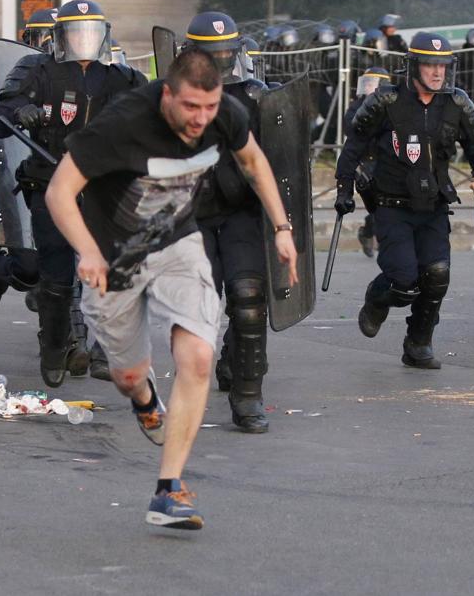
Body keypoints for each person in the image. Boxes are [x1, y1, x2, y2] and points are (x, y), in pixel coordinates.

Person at [45, 48, 298, 530]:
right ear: (167, 95)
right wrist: (89, 250)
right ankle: (144, 402)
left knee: (199, 356)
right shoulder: (122, 123)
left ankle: (169, 490)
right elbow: (59, 191)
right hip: (113, 255)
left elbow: (254, 161)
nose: (201, 119)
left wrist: (282, 228)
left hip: (178, 243)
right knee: (127, 375)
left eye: (209, 107)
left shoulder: (224, 113)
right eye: (190, 108)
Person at [0, 0, 143, 386]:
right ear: (60, 36)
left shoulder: (123, 77)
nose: (84, 41)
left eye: (91, 33)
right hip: (51, 184)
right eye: (76, 32)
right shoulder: (37, 69)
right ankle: (55, 346)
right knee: (56, 274)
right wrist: (19, 111)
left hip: (103, 188)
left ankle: (105, 351)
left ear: (103, 35)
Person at [335, 32, 474, 369]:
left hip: (434, 205)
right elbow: (354, 145)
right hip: (392, 205)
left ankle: (419, 342)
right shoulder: (385, 101)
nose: (438, 73)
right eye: (430, 64)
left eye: (443, 66)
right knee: (404, 281)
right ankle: (376, 300)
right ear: (413, 66)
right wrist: (343, 189)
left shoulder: (456, 103)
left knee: (437, 274)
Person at [185, 12, 278, 433]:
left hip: (242, 211)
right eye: (212, 54)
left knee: (249, 297)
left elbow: (277, 162)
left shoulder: (256, 97)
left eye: (227, 53)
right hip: (193, 215)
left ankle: (247, 394)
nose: (221, 62)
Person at [342, 66, 392, 258]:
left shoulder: (390, 105)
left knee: (386, 203)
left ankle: (373, 234)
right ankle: (374, 235)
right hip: (366, 160)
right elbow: (350, 126)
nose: (368, 86)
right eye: (367, 83)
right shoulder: (357, 105)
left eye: (373, 83)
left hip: (385, 158)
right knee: (378, 203)